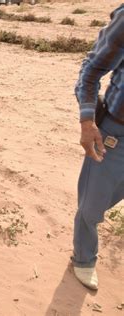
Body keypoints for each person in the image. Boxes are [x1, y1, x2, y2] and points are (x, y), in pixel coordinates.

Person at [72, 4, 123, 290]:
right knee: (92, 208)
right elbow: (91, 70)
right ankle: (83, 259)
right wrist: (87, 122)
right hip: (115, 135)